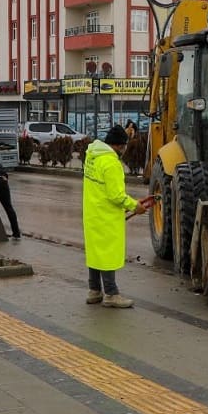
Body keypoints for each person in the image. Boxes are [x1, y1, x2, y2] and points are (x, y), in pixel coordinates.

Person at [82, 125, 146, 308]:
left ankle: (94, 291)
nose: (125, 150)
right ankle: (111, 294)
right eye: (124, 147)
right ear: (119, 146)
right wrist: (135, 206)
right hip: (106, 217)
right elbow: (116, 196)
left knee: (95, 254)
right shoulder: (111, 163)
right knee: (108, 254)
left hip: (92, 214)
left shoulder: (92, 157)